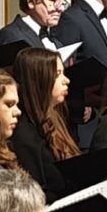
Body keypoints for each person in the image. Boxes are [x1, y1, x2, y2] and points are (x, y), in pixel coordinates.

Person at [9, 47, 78, 194]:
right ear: (39, 80)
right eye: (57, 74)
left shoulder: (56, 117)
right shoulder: (23, 135)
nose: (66, 80)